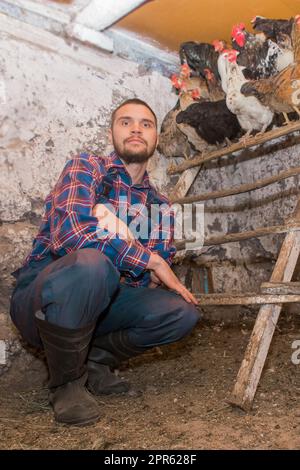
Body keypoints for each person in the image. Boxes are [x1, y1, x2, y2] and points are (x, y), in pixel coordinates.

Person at [10, 98, 200, 426]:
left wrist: (134, 254)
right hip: (44, 294)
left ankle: (95, 361)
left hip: (105, 299)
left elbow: (142, 283)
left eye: (146, 124)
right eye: (126, 122)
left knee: (181, 312)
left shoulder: (162, 208)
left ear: (156, 137)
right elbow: (70, 236)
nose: (136, 128)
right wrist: (148, 259)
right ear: (112, 132)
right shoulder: (87, 167)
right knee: (91, 264)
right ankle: (67, 384)